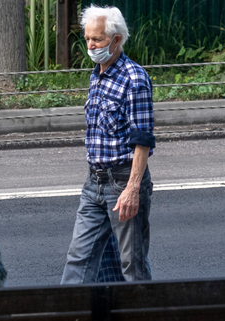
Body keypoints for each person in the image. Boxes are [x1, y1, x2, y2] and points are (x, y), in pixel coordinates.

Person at [61, 4, 155, 284]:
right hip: (94, 183)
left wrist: (132, 190)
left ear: (116, 40)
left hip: (123, 182)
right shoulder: (97, 75)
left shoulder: (134, 78)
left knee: (132, 266)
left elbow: (143, 140)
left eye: (97, 39)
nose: (90, 45)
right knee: (78, 259)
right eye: (88, 38)